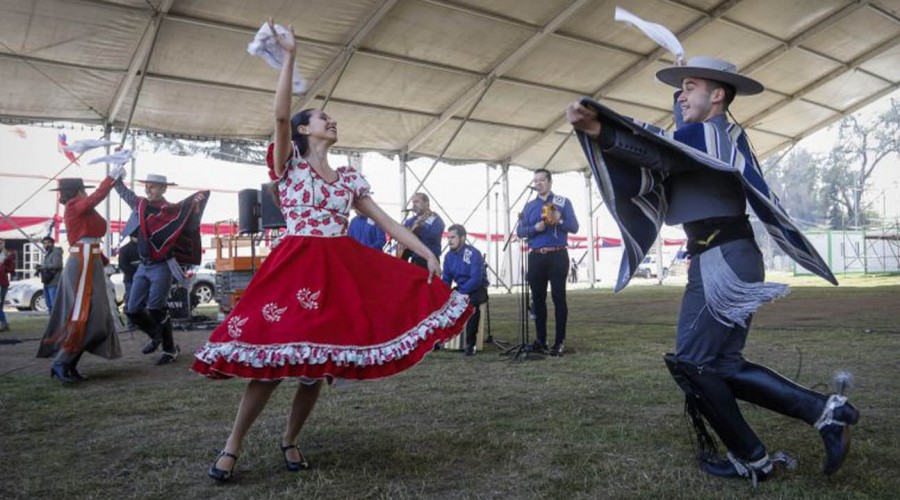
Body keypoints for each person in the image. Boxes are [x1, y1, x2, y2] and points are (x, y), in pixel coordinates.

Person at [191, 20, 472, 483]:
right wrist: (291, 58)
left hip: (337, 270)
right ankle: (232, 445)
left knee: (314, 367)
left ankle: (290, 439)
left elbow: (387, 223)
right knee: (270, 365)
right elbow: (280, 117)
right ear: (305, 130)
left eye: (330, 116)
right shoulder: (289, 165)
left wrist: (425, 252)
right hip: (296, 266)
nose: (331, 120)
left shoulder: (348, 179)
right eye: (322, 117)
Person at [567, 56, 858, 482]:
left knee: (693, 363)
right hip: (723, 254)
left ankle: (753, 456)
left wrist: (601, 130)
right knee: (719, 365)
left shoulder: (709, 133)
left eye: (689, 86)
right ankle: (824, 413)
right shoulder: (711, 136)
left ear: (718, 94)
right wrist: (683, 91)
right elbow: (673, 141)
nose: (680, 96)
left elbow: (659, 153)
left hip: (724, 257)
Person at [113, 173, 208, 365]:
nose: (148, 189)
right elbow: (124, 192)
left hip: (162, 265)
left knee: (156, 309)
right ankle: (157, 336)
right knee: (131, 310)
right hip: (143, 265)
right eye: (147, 186)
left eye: (153, 186)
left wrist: (195, 209)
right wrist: (116, 175)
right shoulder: (140, 205)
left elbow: (189, 224)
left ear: (164, 189)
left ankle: (169, 349)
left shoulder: (172, 211)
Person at [36, 175, 124, 382]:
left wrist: (103, 261)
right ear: (78, 190)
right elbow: (95, 201)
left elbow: (89, 239)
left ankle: (68, 363)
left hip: (89, 260)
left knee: (91, 314)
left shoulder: (80, 208)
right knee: (83, 313)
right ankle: (62, 361)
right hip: (83, 262)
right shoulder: (76, 205)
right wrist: (110, 178)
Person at [515, 169, 579, 356]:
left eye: (542, 180)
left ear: (550, 182)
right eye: (536, 180)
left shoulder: (562, 202)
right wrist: (535, 228)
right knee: (538, 300)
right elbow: (520, 232)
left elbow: (574, 227)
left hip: (557, 255)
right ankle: (541, 340)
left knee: (559, 298)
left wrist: (559, 221)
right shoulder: (529, 206)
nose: (538, 183)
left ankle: (559, 342)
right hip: (536, 256)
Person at [442, 224, 489, 356]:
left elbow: (476, 279)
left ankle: (470, 344)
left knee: (472, 306)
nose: (450, 240)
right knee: (441, 304)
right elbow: (446, 279)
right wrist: (442, 295)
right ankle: (440, 340)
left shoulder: (473, 253)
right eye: (448, 238)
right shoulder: (448, 256)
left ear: (462, 238)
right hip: (461, 288)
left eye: (453, 237)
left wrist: (461, 293)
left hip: (477, 289)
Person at [400, 193, 444, 269]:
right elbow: (401, 233)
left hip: (429, 261)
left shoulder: (435, 219)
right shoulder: (411, 221)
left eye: (417, 202)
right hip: (413, 260)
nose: (414, 205)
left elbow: (434, 237)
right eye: (413, 202)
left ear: (426, 203)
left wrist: (420, 230)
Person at [36, 237, 63, 313]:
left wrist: (43, 267)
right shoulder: (48, 253)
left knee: (54, 304)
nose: (46, 245)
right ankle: (52, 322)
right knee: (49, 304)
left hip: (54, 281)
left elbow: (57, 264)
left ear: (52, 243)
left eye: (48, 242)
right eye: (44, 243)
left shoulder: (56, 252)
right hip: (47, 281)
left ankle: (56, 322)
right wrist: (39, 268)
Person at [0, 238, 16, 332]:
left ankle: (4, 323)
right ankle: (4, 323)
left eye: (1, 243)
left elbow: (11, 269)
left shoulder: (7, 256)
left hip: (2, 283)